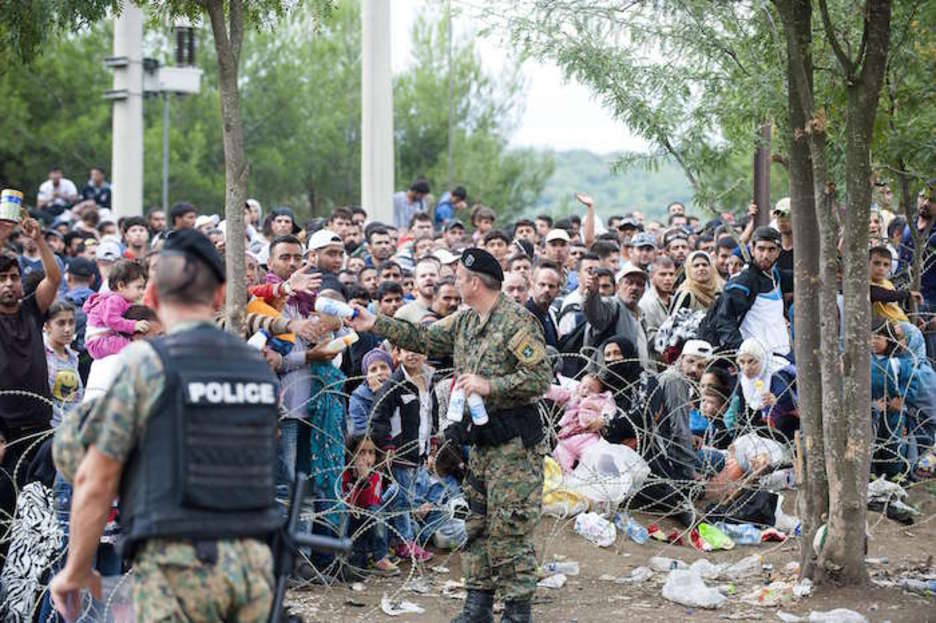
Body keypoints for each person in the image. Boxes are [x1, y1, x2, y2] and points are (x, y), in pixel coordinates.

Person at [50, 229, 280, 622]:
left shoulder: (149, 365)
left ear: (152, 297)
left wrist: (75, 571)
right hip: (255, 565)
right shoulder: (255, 367)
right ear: (221, 295)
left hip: (177, 567)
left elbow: (96, 477)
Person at [348, 247, 551, 623]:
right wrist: (374, 322)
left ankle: (517, 612)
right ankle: (477, 607)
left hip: (514, 446)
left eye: (458, 277)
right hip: (481, 444)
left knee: (510, 528)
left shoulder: (516, 322)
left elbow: (540, 377)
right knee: (476, 525)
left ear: (475, 282)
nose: (454, 283)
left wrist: (491, 385)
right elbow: (421, 338)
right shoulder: (465, 321)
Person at [0, 217, 61, 541]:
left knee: (36, 523)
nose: (9, 284)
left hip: (39, 430)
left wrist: (39, 241)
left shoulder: (30, 310)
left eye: (13, 277)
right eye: (2, 279)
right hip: (4, 434)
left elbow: (54, 276)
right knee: (4, 520)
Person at [369, 347, 438, 562]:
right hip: (401, 451)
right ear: (396, 354)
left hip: (419, 450)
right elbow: (378, 418)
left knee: (402, 497)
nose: (412, 354)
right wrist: (388, 446)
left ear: (425, 354)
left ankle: (377, 517)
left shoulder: (429, 380)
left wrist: (432, 443)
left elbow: (430, 414)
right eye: (406, 350)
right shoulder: (395, 384)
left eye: (417, 349)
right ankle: (404, 542)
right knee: (402, 499)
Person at [711, 226, 792, 356]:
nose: (765, 255)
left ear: (778, 252)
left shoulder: (775, 275)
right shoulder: (743, 282)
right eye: (761, 249)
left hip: (781, 354)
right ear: (752, 250)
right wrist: (743, 351)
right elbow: (724, 320)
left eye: (771, 249)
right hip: (757, 360)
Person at [341, 436, 400, 576]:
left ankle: (380, 558)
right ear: (351, 454)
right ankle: (343, 558)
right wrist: (356, 479)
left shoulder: (375, 475)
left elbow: (370, 502)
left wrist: (364, 480)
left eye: (371, 452)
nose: (366, 457)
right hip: (350, 525)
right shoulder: (343, 473)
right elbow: (347, 502)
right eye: (361, 452)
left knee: (377, 510)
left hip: (369, 523)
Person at [581, 263, 650, 369]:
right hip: (608, 378)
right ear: (618, 287)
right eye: (629, 283)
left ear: (644, 290)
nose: (634, 288)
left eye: (639, 284)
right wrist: (593, 294)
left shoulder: (642, 315)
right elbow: (596, 314)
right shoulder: (612, 306)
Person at [82, 260, 148, 359]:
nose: (142, 292)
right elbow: (111, 320)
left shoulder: (121, 299)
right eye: (138, 287)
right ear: (121, 285)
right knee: (134, 347)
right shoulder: (115, 300)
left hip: (104, 341)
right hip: (100, 342)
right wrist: (133, 325)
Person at [44, 300, 83, 427]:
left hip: (72, 427)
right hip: (49, 428)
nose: (67, 329)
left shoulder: (73, 357)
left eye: (71, 322)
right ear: (47, 326)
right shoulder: (41, 355)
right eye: (61, 323)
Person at [348, 348, 394, 437]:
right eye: (373, 370)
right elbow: (364, 433)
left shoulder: (399, 390)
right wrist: (380, 396)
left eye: (383, 367)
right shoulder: (358, 398)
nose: (379, 372)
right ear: (366, 376)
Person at [639, 256, 676, 350]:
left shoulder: (675, 300)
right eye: (663, 274)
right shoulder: (647, 302)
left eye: (671, 274)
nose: (668, 278)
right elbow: (650, 337)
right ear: (652, 276)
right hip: (655, 359)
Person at [525, 261, 562, 349]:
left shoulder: (549, 314)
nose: (546, 290)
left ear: (558, 290)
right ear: (532, 285)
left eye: (551, 286)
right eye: (542, 284)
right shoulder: (526, 316)